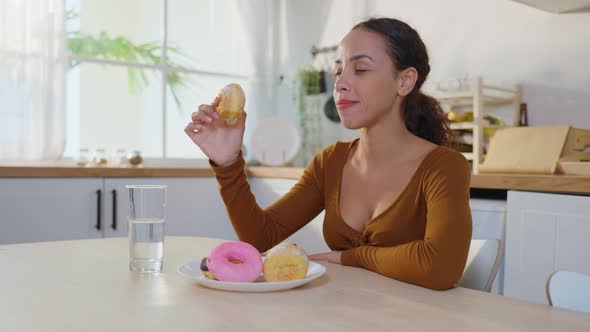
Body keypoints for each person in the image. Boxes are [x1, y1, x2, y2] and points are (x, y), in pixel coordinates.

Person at [184, 17, 472, 291]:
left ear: (405, 81)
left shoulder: (444, 167)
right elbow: (260, 236)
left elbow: (441, 267)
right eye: (338, 71)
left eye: (360, 69)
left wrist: (353, 257)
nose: (341, 83)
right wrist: (228, 162)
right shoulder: (331, 162)